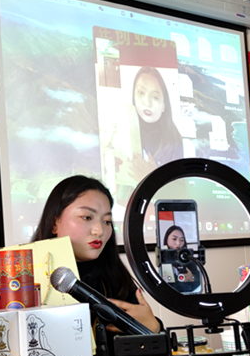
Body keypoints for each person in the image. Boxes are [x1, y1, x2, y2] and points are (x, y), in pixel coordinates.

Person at [31, 175, 162, 335]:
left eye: (107, 221)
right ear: (54, 223)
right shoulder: (25, 279)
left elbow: (148, 344)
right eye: (87, 217)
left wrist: (155, 329)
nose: (99, 231)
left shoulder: (117, 280)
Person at [131, 67, 184, 168]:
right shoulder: (123, 128)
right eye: (141, 92)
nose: (147, 102)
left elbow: (178, 178)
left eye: (155, 97)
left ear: (164, 105)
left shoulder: (174, 140)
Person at [161, 225, 202, 294]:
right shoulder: (161, 259)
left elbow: (199, 281)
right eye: (174, 239)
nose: (178, 243)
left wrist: (192, 277)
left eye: (182, 240)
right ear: (166, 240)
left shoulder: (188, 258)